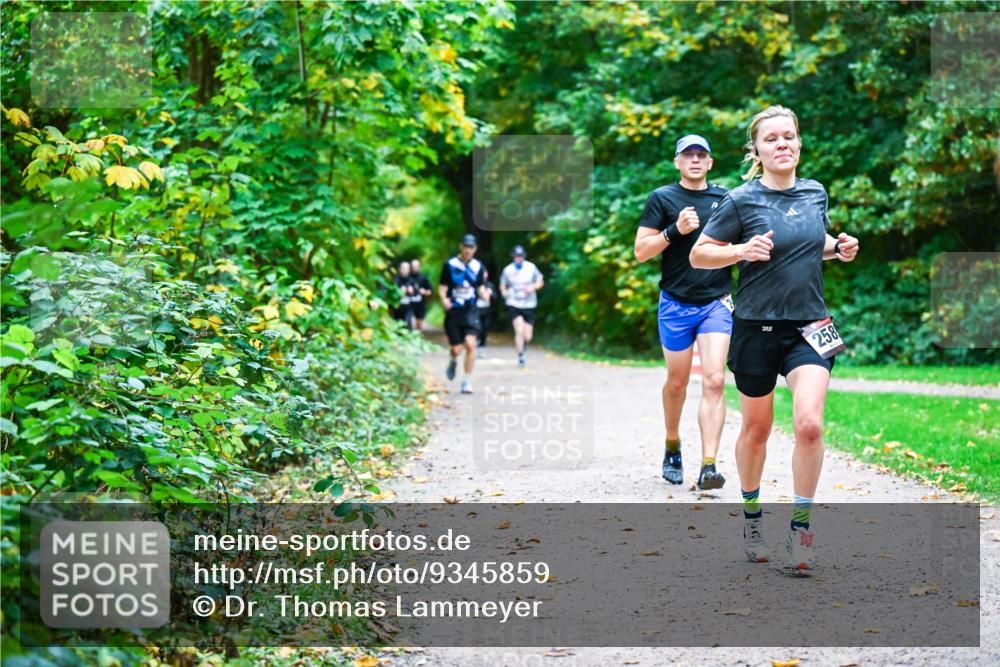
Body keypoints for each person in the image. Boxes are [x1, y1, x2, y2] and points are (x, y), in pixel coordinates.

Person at [689, 105, 859, 570]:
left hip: (810, 327)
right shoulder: (740, 200)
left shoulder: (815, 192)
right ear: (757, 151)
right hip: (755, 328)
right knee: (757, 429)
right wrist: (741, 250)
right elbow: (700, 254)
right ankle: (752, 517)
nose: (782, 143)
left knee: (809, 424)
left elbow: (811, 243)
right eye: (771, 138)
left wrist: (839, 248)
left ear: (799, 143)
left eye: (789, 136)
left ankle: (801, 531)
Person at [634, 134, 732, 491]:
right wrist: (674, 230)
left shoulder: (726, 199)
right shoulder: (662, 198)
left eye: (701, 155)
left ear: (710, 162)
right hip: (675, 303)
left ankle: (709, 465)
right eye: (687, 154)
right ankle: (672, 444)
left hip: (716, 301)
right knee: (677, 382)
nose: (694, 160)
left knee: (715, 379)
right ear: (677, 162)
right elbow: (641, 252)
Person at [439, 234, 488, 394]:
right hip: (454, 311)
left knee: (471, 344)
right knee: (456, 349)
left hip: (471, 310)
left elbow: (480, 286)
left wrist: (485, 294)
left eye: (471, 247)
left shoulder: (478, 266)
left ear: (475, 249)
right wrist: (444, 300)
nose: (468, 250)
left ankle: (466, 381)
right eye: (466, 246)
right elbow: (443, 286)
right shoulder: (450, 265)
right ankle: (453, 359)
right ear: (461, 247)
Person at [500, 245, 544, 369]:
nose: (518, 258)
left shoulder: (531, 267)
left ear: (524, 256)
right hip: (514, 303)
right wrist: (504, 293)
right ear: (513, 257)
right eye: (516, 256)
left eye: (520, 256)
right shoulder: (507, 270)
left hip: (529, 303)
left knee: (528, 335)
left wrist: (533, 287)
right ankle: (520, 356)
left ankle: (524, 345)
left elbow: (540, 280)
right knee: (519, 330)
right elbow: (502, 284)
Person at [409, 259, 434, 332]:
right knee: (411, 324)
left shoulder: (423, 278)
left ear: (419, 267)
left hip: (420, 305)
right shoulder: (408, 277)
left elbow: (430, 291)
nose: (415, 268)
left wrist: (425, 292)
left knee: (419, 325)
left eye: (416, 266)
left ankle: (419, 337)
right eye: (413, 267)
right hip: (410, 306)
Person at [392, 261, 415, 329]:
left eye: (407, 269)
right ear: (400, 269)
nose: (405, 271)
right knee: (397, 327)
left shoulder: (412, 280)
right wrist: (399, 291)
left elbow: (418, 294)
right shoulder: (395, 280)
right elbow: (391, 294)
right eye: (403, 268)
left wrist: (412, 291)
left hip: (408, 309)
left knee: (408, 327)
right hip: (397, 309)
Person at [476, 270, 496, 348]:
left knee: (485, 326)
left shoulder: (490, 285)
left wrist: (490, 294)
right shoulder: (475, 283)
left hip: (486, 309)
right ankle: (477, 340)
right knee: (478, 326)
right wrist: (480, 294)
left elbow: (495, 297)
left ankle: (482, 343)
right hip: (476, 309)